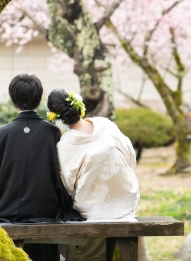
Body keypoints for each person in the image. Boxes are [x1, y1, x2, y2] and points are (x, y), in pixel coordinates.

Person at [0, 74, 84, 261]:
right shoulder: (52, 132)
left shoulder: (2, 133)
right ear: (39, 98)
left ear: (13, 98)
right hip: (45, 212)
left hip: (6, 212)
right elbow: (60, 174)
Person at [47, 89, 147, 261]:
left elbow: (67, 186)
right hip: (125, 203)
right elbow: (130, 156)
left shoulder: (64, 146)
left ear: (56, 117)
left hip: (91, 212)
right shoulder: (105, 125)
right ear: (77, 105)